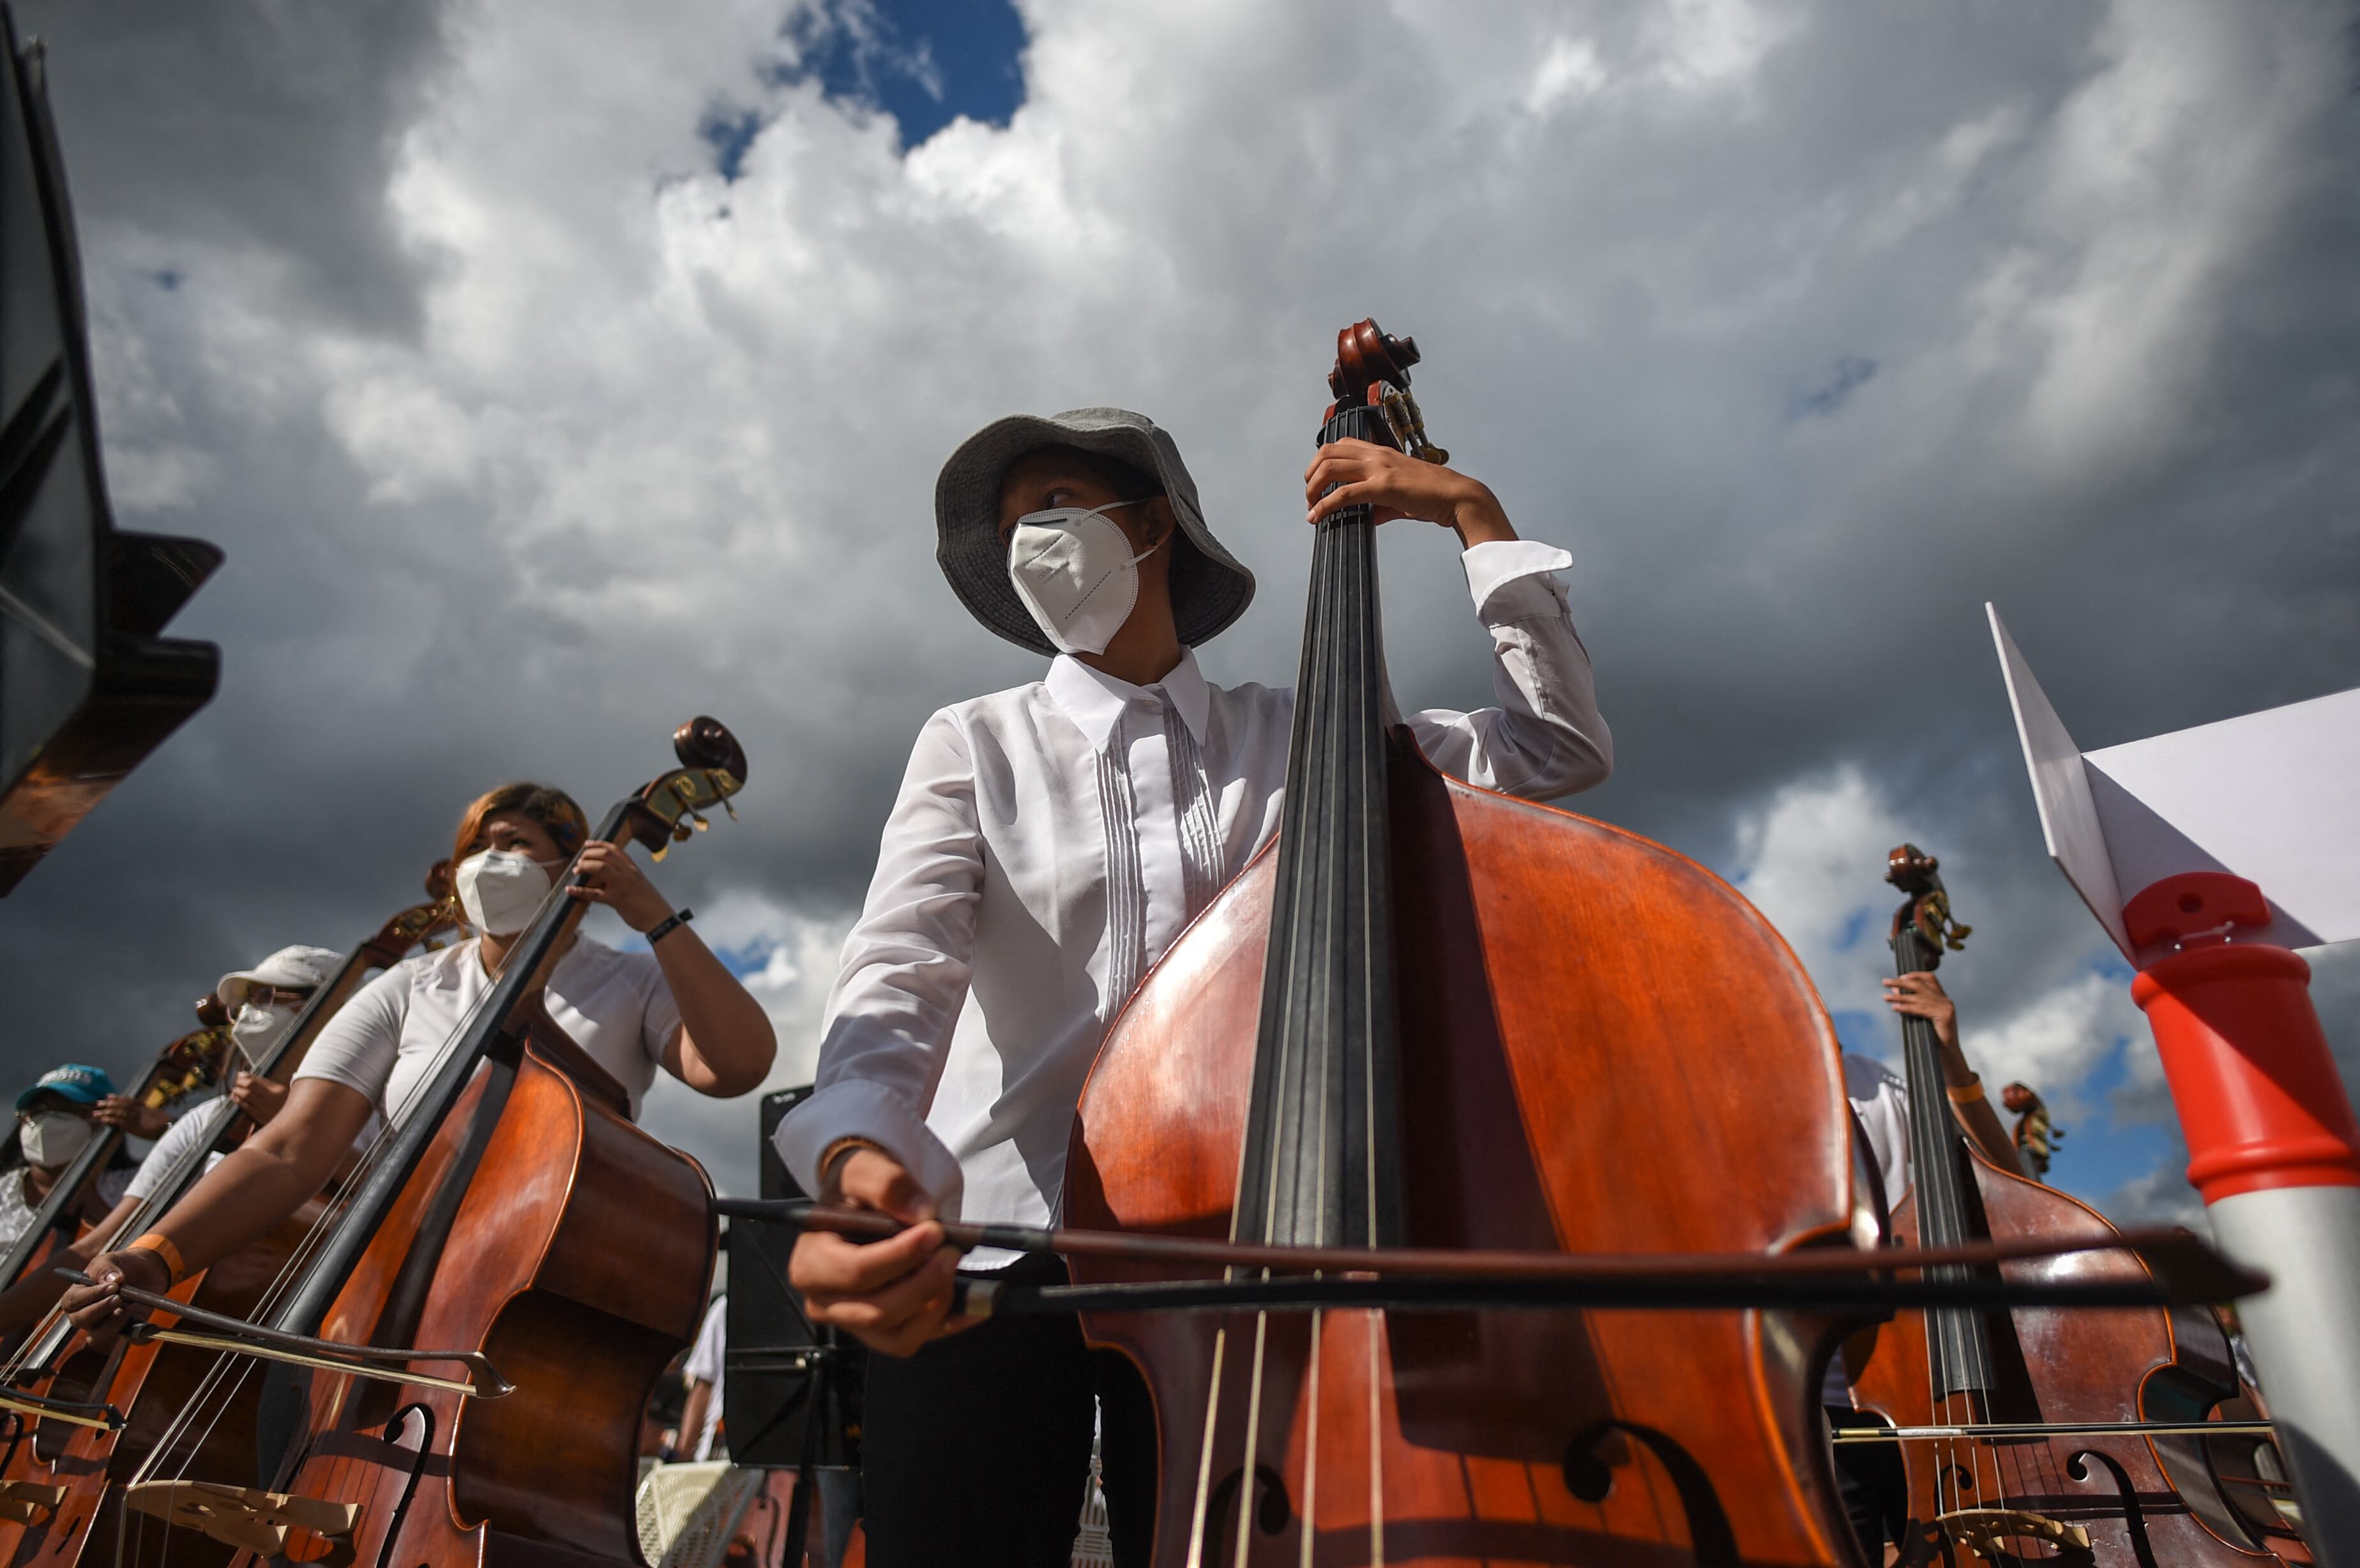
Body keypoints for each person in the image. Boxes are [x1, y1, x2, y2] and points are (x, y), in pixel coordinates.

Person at [776, 408, 1612, 1566]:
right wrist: (859, 1163)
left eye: (1057, 505)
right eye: (1013, 528)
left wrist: (1472, 516)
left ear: (1152, 521)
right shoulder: (973, 741)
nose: (1032, 542)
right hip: (992, 1250)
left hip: (1228, 1264)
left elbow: (1560, 749)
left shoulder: (1312, 732)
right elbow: (898, 970)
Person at [62, 781, 778, 1334]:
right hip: (391, 1274)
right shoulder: (410, 985)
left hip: (550, 1286)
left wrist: (654, 916)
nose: (490, 859)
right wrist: (156, 1253)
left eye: (517, 842)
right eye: (478, 846)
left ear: (573, 863)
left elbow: (738, 1065)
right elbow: (290, 1149)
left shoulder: (630, 979)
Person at [0, 947, 342, 1334]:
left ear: (337, 1005)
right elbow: (101, 1243)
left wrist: (301, 1127)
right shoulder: (207, 1120)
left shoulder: (383, 1107)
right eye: (244, 1003)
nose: (248, 1014)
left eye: (266, 997)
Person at [1826, 966, 2025, 1562]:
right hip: (1819, 1396)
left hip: (1931, 1378)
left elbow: (2011, 1182)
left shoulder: (1881, 1087)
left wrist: (1950, 1059)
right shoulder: (1737, 1098)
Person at [0, 1064, 146, 1259]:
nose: (46, 1121)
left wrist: (164, 1128)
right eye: (37, 1111)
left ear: (106, 1116)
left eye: (66, 1109)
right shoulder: (4, 1192)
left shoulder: (135, 1186)